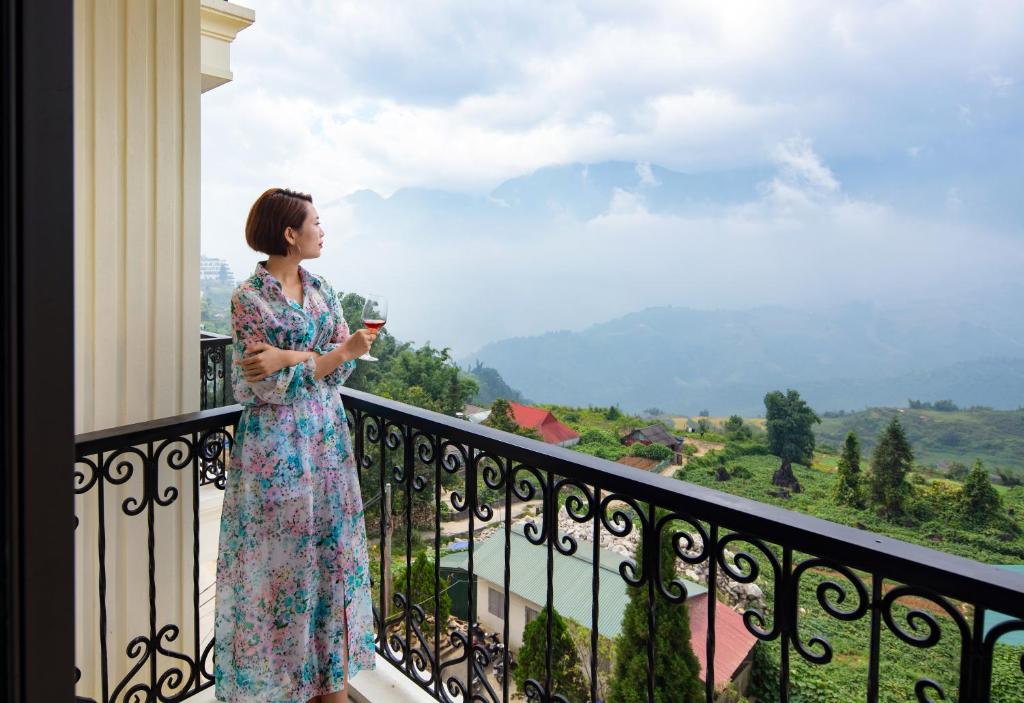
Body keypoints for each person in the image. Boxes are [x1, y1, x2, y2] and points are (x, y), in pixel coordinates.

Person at [215, 188, 378, 703]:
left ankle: (328, 683)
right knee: (281, 568)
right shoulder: (249, 299)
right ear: (290, 233)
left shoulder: (321, 288)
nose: (322, 231)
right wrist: (328, 356)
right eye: (316, 222)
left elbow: (340, 365)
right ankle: (282, 687)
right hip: (276, 451)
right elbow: (264, 385)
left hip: (326, 442)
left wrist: (289, 356)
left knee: (330, 561)